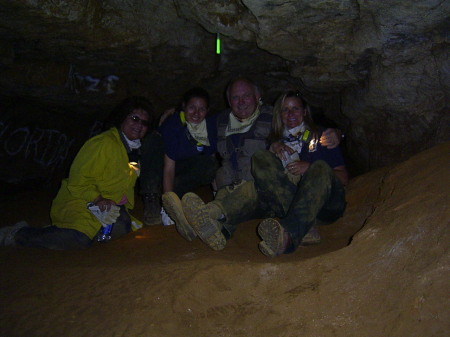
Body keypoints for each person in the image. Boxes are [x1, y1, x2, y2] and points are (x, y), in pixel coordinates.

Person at [164, 90, 348, 255]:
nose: (290, 114)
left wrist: (309, 167)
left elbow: (342, 178)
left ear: (305, 111)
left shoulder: (323, 136)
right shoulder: (276, 140)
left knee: (319, 167)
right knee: (258, 167)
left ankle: (293, 233)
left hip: (322, 206)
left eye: (295, 109)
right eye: (285, 110)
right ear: (279, 114)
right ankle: (208, 215)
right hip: (287, 202)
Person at [0, 96, 154, 250]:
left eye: (144, 123)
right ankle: (18, 233)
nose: (139, 125)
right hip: (81, 202)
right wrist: (98, 199)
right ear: (122, 118)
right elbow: (78, 179)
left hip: (107, 208)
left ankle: (62, 231)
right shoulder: (103, 143)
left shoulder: (133, 150)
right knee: (79, 239)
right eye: (134, 118)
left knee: (120, 231)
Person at [139, 87, 218, 230]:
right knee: (153, 139)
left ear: (207, 111)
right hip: (160, 167)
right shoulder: (173, 125)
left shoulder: (209, 127)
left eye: (202, 109)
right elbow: (169, 168)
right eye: (192, 107)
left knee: (208, 165)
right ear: (184, 106)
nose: (196, 113)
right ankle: (153, 197)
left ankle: (177, 194)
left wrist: (218, 197)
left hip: (181, 168)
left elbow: (211, 161)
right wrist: (169, 207)